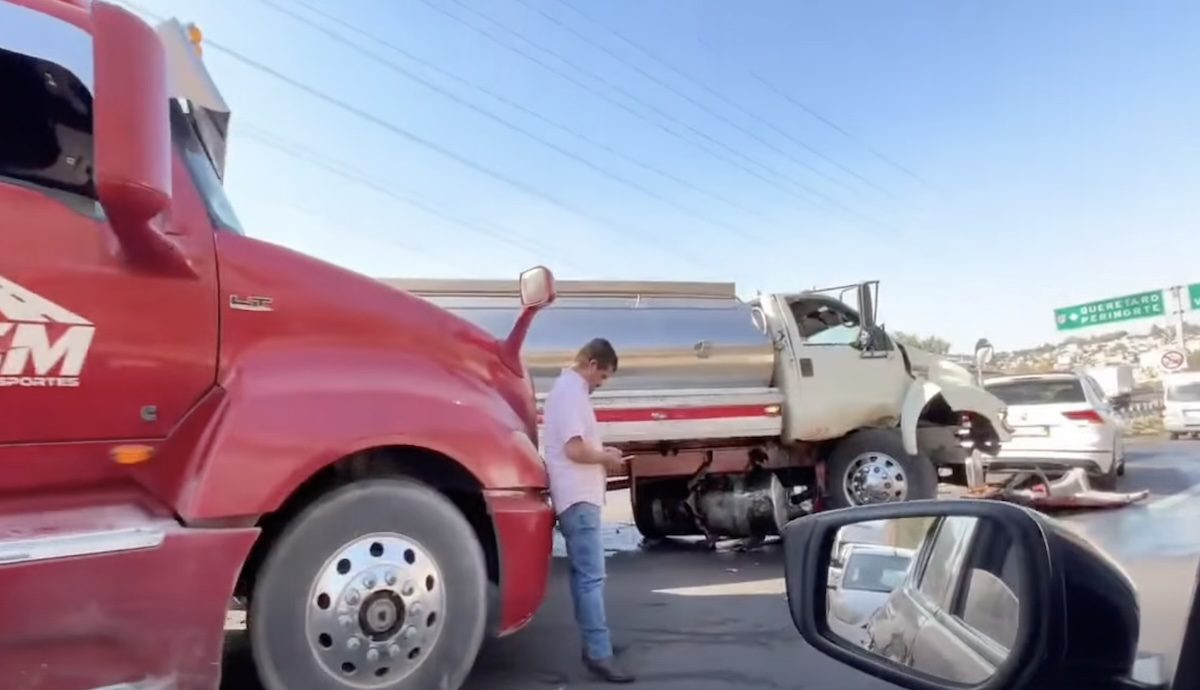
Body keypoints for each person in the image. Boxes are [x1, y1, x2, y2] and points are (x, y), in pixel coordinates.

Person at [542, 337, 635, 683]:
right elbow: (574, 450)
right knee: (591, 579)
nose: (601, 383)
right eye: (604, 376)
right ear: (592, 364)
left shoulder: (570, 392)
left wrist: (602, 448)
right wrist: (606, 457)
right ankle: (599, 653)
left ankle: (598, 645)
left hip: (579, 496)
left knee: (586, 578)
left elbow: (581, 445)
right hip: (578, 498)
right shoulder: (570, 392)